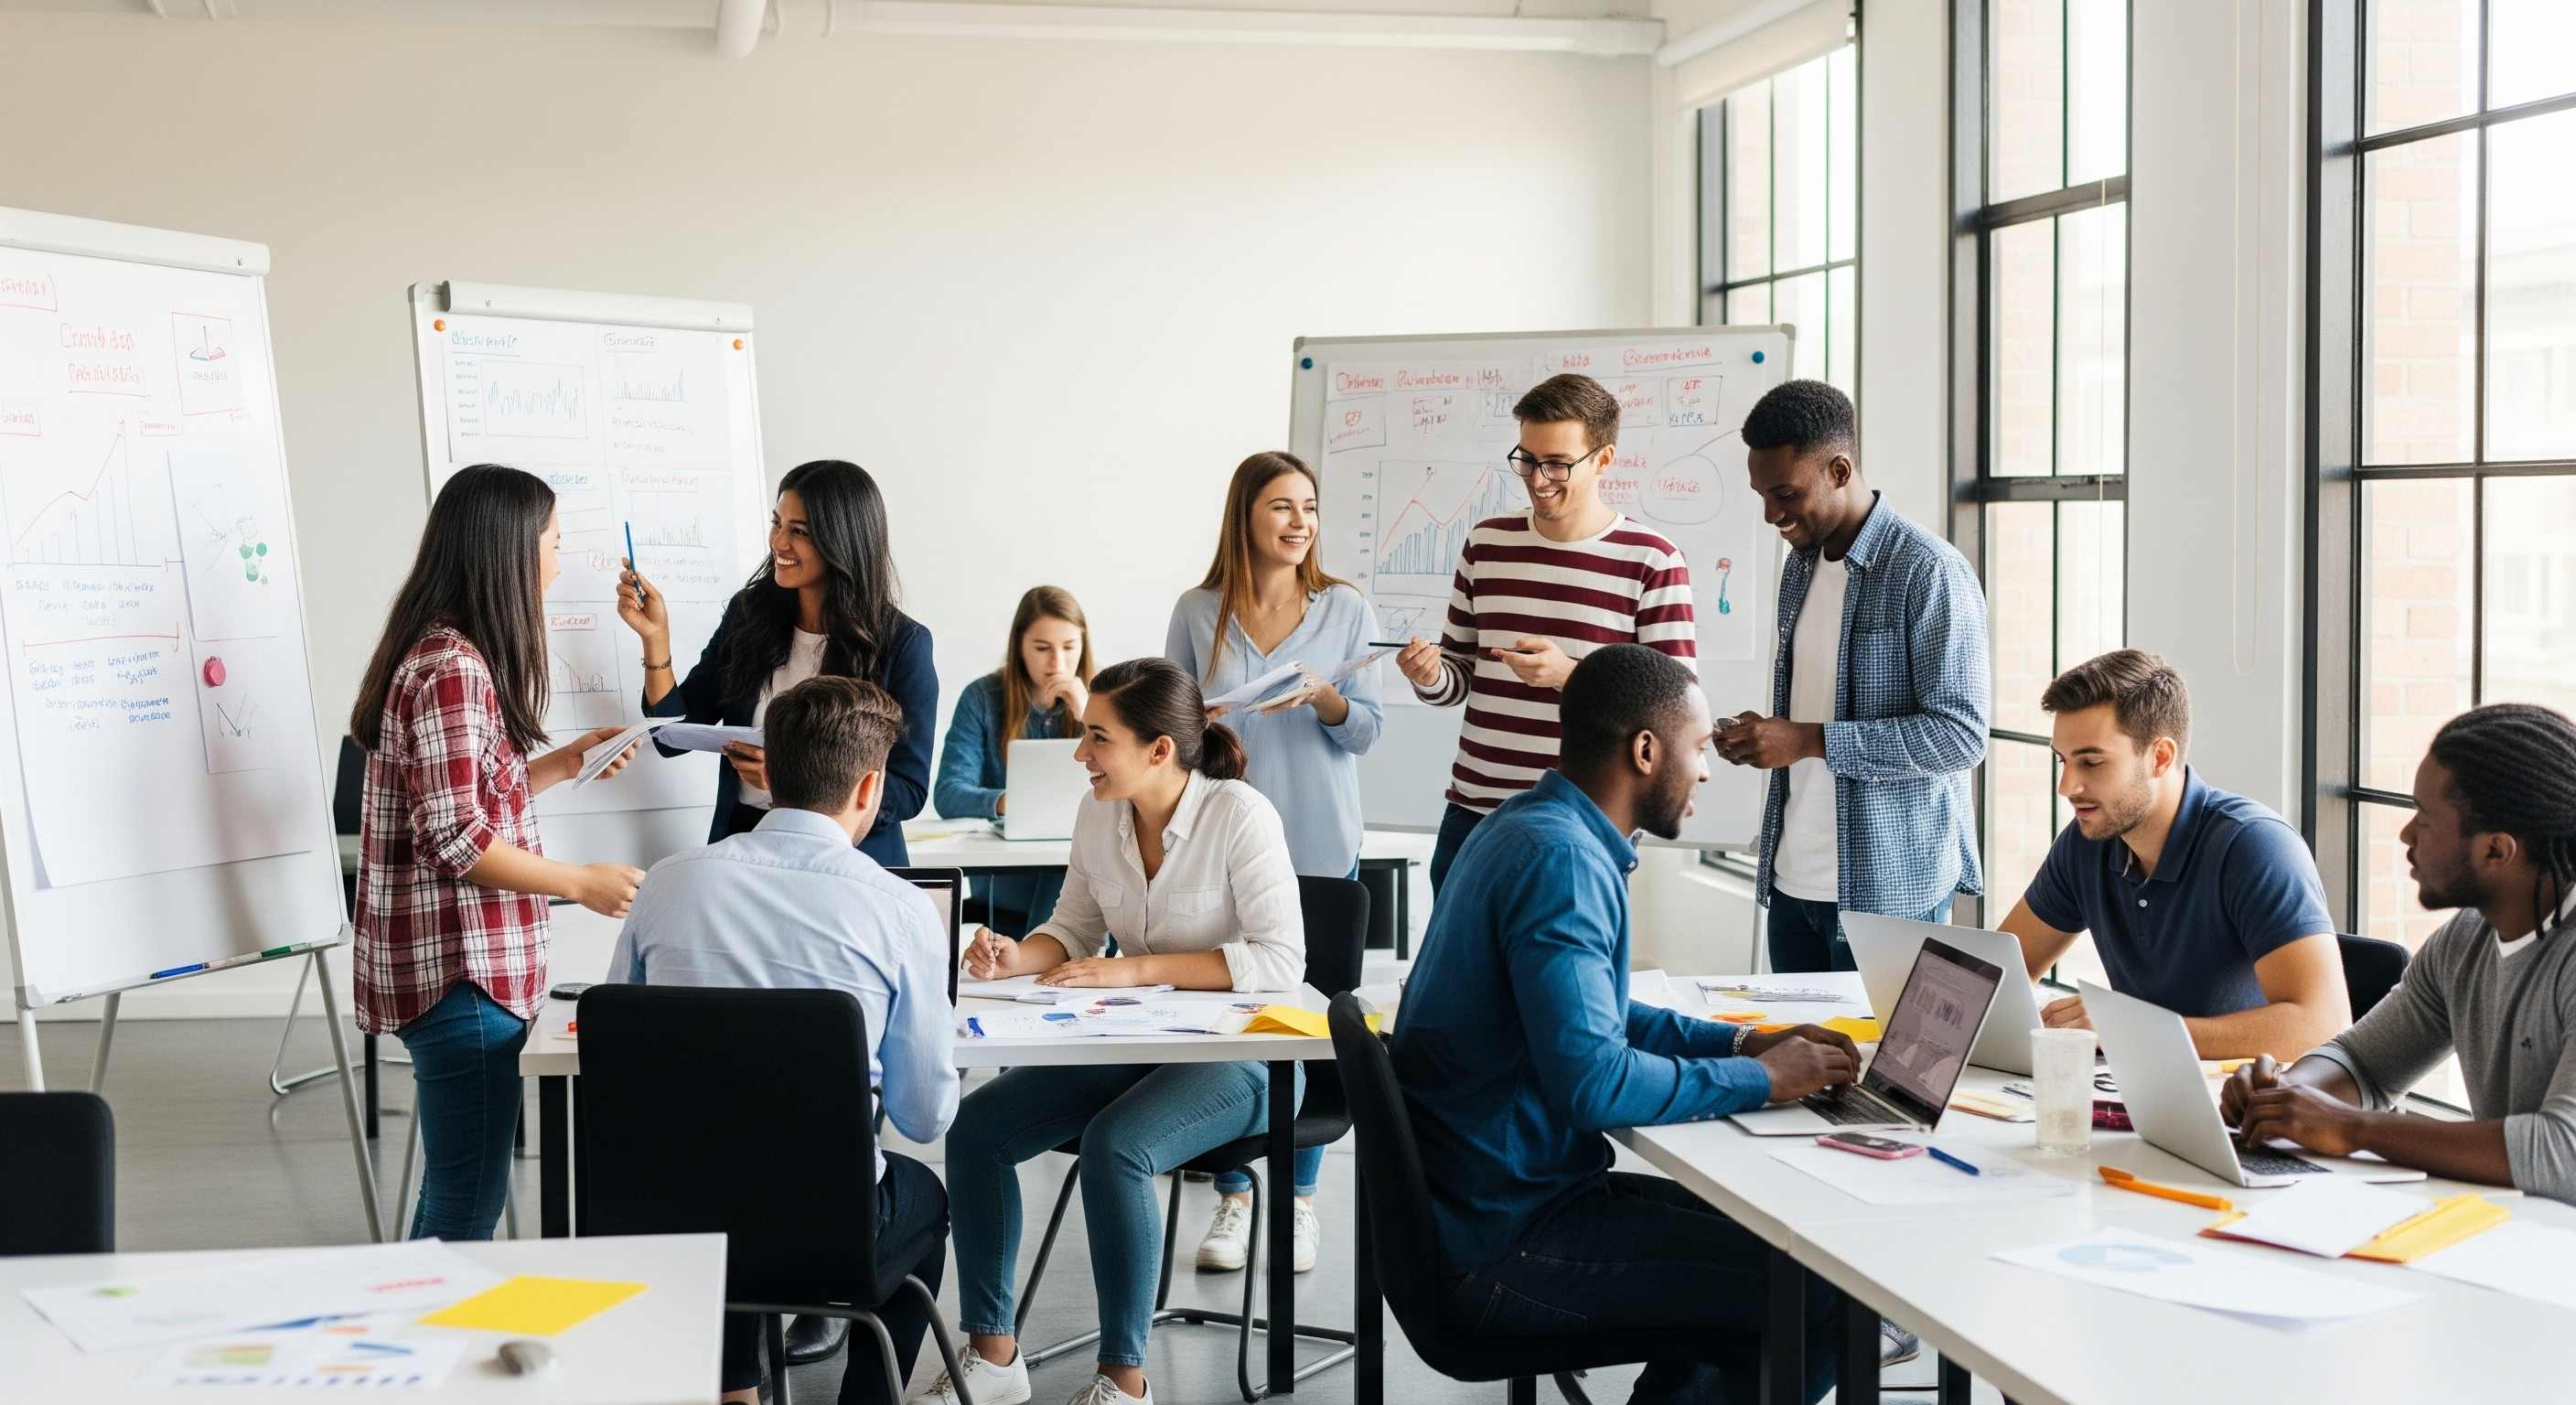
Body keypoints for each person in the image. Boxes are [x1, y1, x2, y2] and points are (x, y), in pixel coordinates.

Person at [1391, 644, 1867, 1403]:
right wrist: (1764, 1080)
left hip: (1495, 1207)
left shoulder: (1528, 824)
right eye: (1701, 747)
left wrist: (1747, 1043)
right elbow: (1594, 1084)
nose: (1707, 770)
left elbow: (1599, 1019)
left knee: (1797, 1251)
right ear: (1646, 750)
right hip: (1508, 1242)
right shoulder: (1563, 863)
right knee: (1828, 1298)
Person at [920, 658, 1304, 1405]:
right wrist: (1012, 958)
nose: (1079, 753)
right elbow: (1071, 929)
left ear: (1160, 750)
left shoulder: (1240, 816)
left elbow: (1281, 960)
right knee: (976, 1130)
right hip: (1135, 1045)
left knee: (1116, 1146)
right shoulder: (1099, 812)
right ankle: (994, 1359)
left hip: (1249, 1062)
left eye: (1098, 737)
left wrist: (1135, 970)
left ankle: (1124, 1382)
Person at [609, 675, 961, 1405]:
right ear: (870, 789)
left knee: (723, 1152)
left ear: (767, 768)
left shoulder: (667, 885)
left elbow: (618, 1050)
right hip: (825, 1234)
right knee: (923, 1197)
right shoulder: (897, 910)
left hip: (670, 1224)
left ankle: (734, 1388)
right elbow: (925, 1116)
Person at [349, 464, 644, 1241]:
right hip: (462, 976)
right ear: (508, 553)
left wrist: (567, 760)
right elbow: (455, 837)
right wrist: (578, 882)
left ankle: (428, 1347)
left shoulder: (441, 652)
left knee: (461, 1191)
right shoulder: (454, 670)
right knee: (464, 1202)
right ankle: (425, 1356)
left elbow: (472, 797)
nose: (558, 559)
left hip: (454, 973)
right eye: (552, 541)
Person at [1165, 450, 1381, 1277]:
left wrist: (1326, 697)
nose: (1300, 523)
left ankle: (1296, 1198)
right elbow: (1174, 733)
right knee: (1231, 1018)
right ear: (1245, 517)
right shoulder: (1198, 608)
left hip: (1321, 839)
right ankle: (1233, 1192)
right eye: (1283, 507)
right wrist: (1205, 719)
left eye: (1311, 508)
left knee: (1309, 1022)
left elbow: (1366, 730)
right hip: (1222, 838)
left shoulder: (1345, 608)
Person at [2225, 703, 2576, 1200]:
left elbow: (2564, 1151)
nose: (2406, 835)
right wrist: (2286, 1096)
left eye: (2426, 821)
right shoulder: (2465, 939)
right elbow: (2363, 1062)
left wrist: (2353, 1129)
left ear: (2496, 851)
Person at [1715, 380, 1990, 974]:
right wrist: (1765, 735)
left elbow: (1961, 737)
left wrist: (1810, 739)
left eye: (1786, 493)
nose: (1771, 514)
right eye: (1761, 495)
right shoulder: (1800, 567)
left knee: (1882, 1069)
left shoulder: (1929, 571)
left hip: (1890, 895)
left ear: (1840, 469)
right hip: (1792, 884)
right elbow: (1812, 705)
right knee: (1798, 1066)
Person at [1393, 373, 1696, 896]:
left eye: (1557, 463)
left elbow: (1677, 711)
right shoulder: (1486, 545)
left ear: (1603, 460)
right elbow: (1460, 676)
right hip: (1476, 808)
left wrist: (1572, 677)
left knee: (1558, 973)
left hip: (1584, 816)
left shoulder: (1652, 559)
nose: (1537, 479)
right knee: (1455, 973)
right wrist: (1429, 676)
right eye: (1527, 459)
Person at [2002, 649, 2350, 1058]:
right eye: (2063, 761)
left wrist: (2131, 1031)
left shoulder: (2255, 847)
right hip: (2142, 1093)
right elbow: (1995, 974)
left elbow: (2321, 1026)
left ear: (2160, 757)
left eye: (2091, 763)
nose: (2067, 786)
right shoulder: (2087, 841)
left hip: (2245, 1109)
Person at [617, 459, 935, 866]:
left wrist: (793, 780)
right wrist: (654, 639)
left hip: (851, 862)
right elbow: (670, 736)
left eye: (799, 532)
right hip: (745, 850)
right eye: (777, 523)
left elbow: (908, 789)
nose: (779, 542)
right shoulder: (749, 615)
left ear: (843, 541)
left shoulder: (901, 643)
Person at [936, 585, 1093, 935]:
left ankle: (1039, 960)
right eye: (1042, 648)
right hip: (1009, 872)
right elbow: (948, 793)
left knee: (1077, 870)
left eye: (1069, 648)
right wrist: (1015, 803)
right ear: (1019, 646)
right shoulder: (982, 697)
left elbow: (1131, 785)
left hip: (1082, 862)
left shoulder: (1103, 696)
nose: (1058, 663)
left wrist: (1086, 714)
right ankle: (1042, 960)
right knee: (1067, 890)